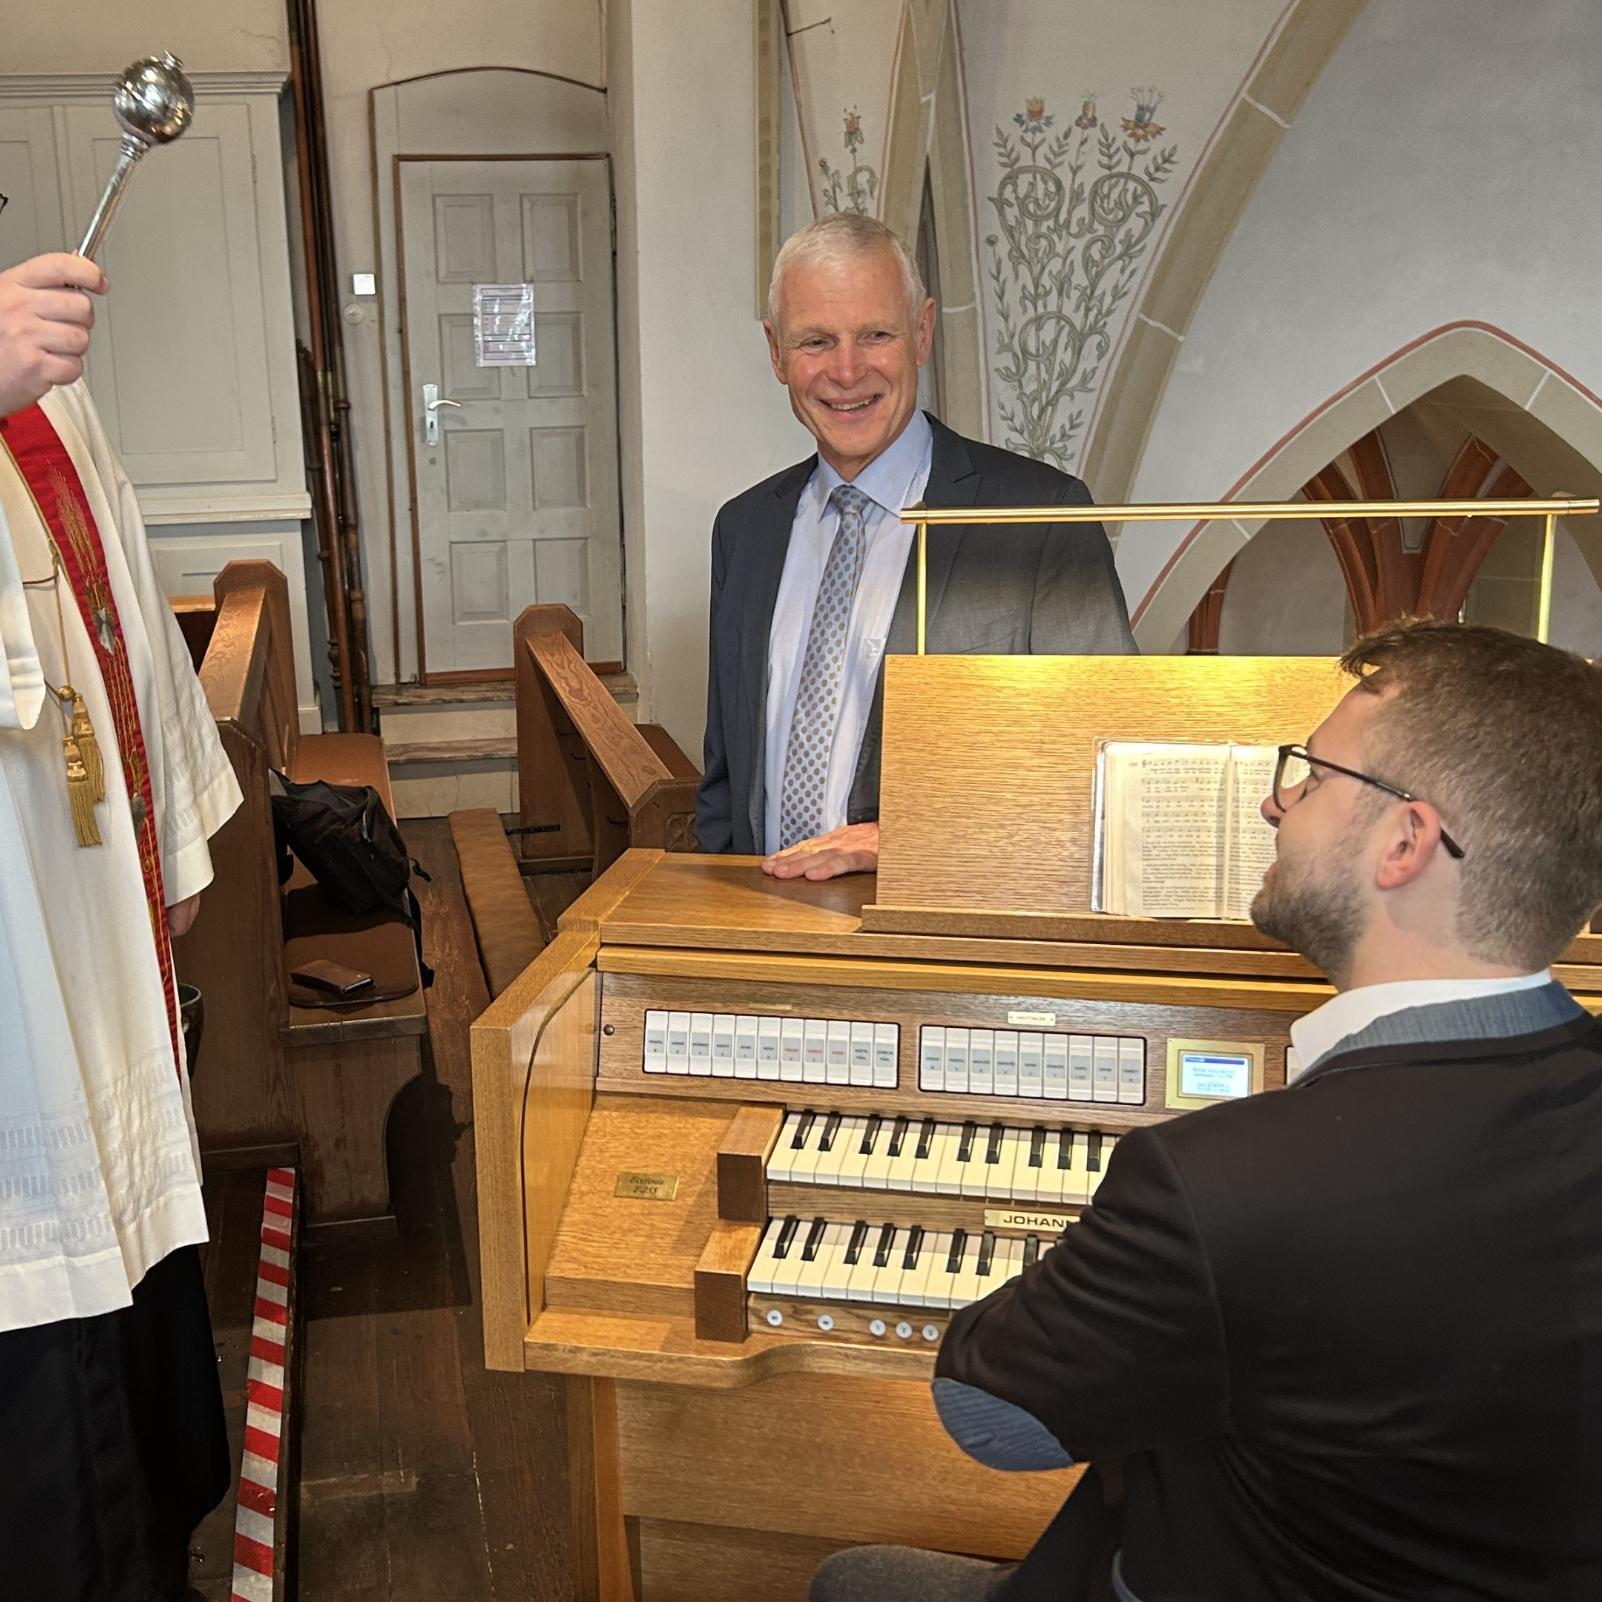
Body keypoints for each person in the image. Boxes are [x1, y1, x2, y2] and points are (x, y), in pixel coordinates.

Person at [812, 619, 1602, 1602]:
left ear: (1405, 841)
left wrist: (1129, 1249)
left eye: (1312, 777)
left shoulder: (1228, 1187)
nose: (1277, 803)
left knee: (850, 1581)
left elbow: (989, 1415)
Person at [0, 251, 244, 1601]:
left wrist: (173, 828)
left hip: (90, 921)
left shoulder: (47, 384)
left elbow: (127, 601)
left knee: (131, 1328)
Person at [696, 213, 1135, 881]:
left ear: (923, 332)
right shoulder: (744, 529)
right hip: (768, 940)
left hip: (942, 945)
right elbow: (727, 789)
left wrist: (907, 840)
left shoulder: (1039, 518)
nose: (847, 371)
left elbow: (1102, 765)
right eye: (816, 340)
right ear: (776, 352)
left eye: (875, 334)